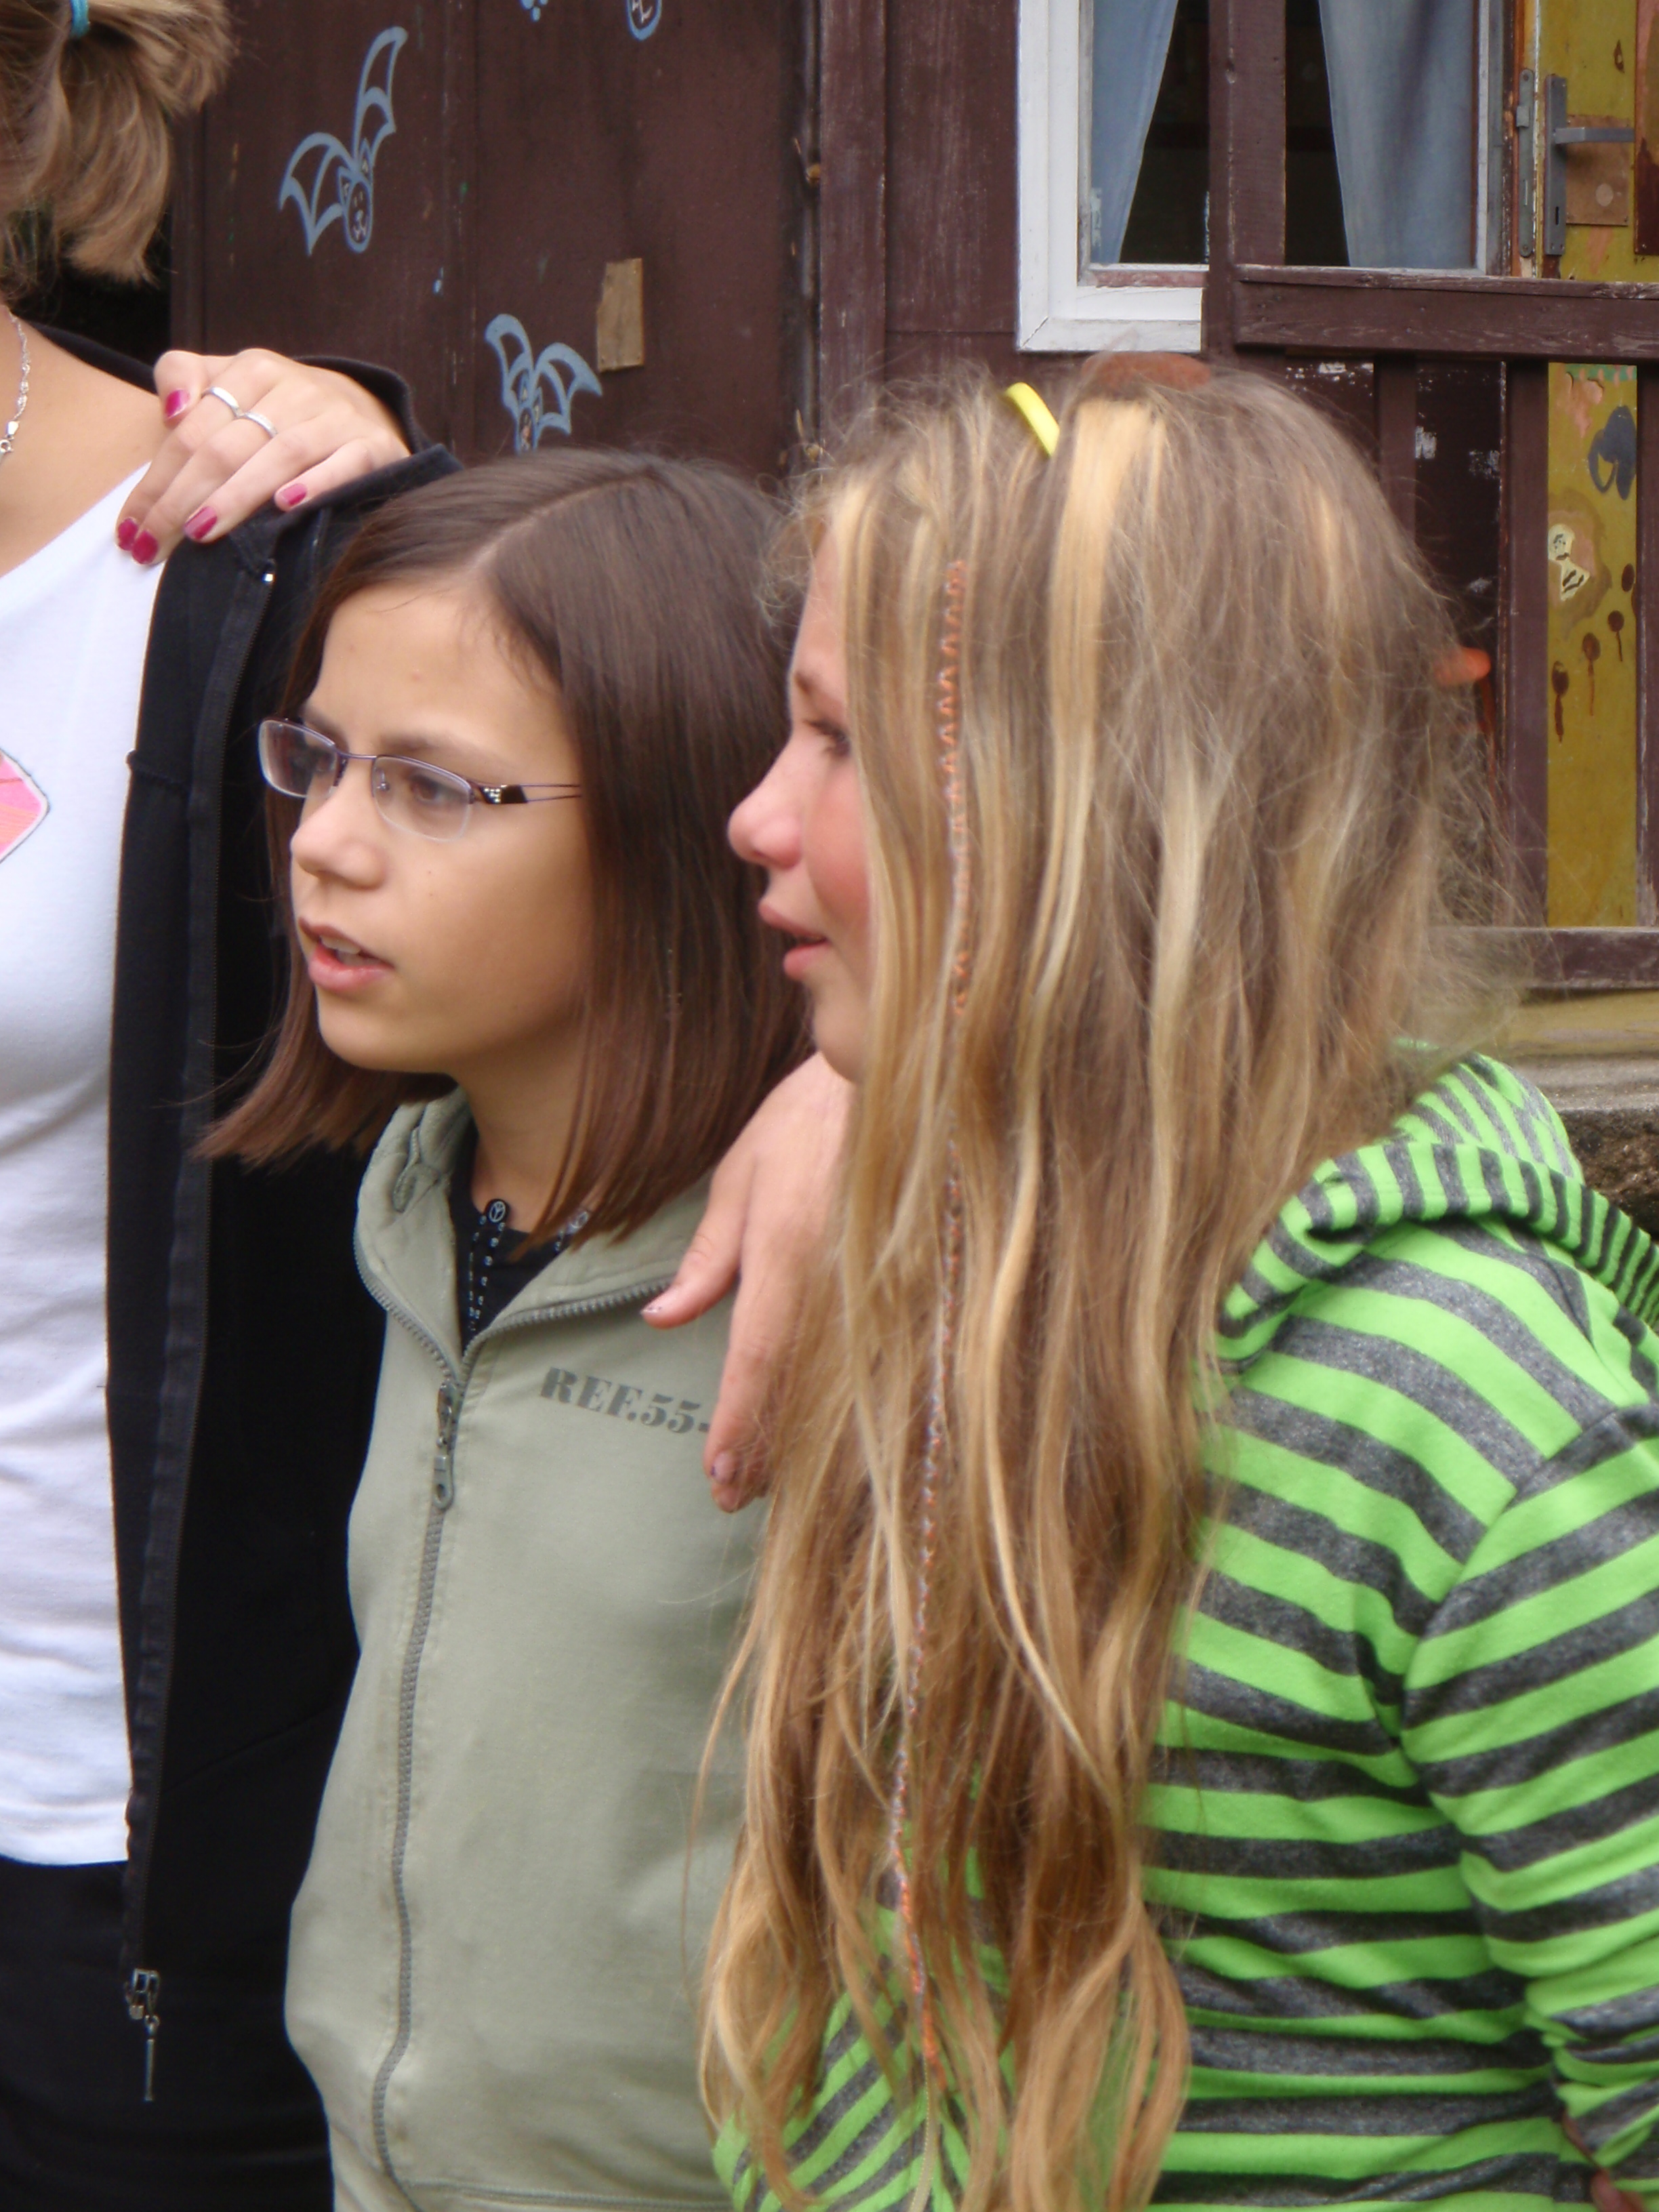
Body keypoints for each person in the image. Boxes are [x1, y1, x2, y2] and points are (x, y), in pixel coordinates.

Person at [705, 358, 1659, 2212]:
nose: (754, 814)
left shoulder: (1463, 1412)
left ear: (1093, 820)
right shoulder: (963, 1278)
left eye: (837, 743)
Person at [206, 451, 804, 2212]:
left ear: (691, 816)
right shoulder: (409, 1203)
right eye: (319, 759)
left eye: (433, 788)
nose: (324, 841)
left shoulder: (839, 1270)